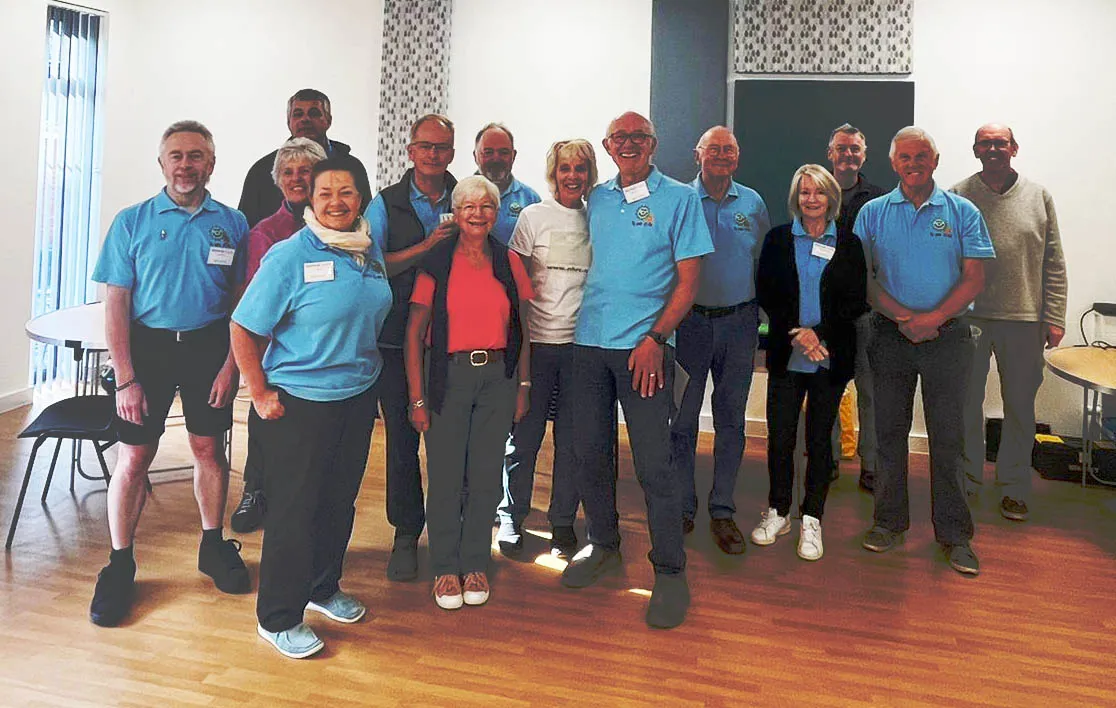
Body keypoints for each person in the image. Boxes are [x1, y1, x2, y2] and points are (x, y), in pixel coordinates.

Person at [88, 120, 249, 627]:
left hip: (208, 347)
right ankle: (119, 564)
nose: (186, 164)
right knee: (134, 457)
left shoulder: (233, 222)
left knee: (208, 450)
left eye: (196, 155)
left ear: (211, 164)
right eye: (176, 155)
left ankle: (211, 544)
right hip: (148, 349)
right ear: (162, 165)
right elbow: (115, 302)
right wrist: (126, 378)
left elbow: (242, 304)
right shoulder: (132, 221)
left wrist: (232, 366)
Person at [231, 157, 391, 659]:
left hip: (356, 396)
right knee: (294, 512)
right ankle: (277, 617)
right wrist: (258, 393)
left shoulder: (366, 249)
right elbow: (243, 326)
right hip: (299, 404)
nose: (336, 202)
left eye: (346, 192)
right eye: (325, 193)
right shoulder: (288, 255)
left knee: (338, 501)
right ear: (309, 199)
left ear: (361, 198)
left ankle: (323, 587)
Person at [562, 111, 713, 630]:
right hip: (588, 346)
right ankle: (603, 543)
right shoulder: (598, 198)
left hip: (644, 350)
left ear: (653, 143)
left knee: (655, 464)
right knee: (588, 453)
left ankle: (670, 571)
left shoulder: (680, 198)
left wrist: (655, 338)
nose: (629, 145)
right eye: (619, 138)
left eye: (638, 137)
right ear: (608, 146)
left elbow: (688, 283)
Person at [855, 126, 994, 576]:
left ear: (935, 161)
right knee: (889, 436)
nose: (913, 164)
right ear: (893, 164)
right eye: (904, 158)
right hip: (889, 337)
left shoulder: (963, 211)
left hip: (948, 338)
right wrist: (904, 319)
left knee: (948, 439)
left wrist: (931, 320)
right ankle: (888, 524)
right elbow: (865, 279)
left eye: (922, 157)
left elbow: (974, 277)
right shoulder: (873, 213)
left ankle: (955, 536)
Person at [404, 175, 534, 610]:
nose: (477, 215)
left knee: (483, 477)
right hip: (448, 378)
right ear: (455, 214)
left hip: (498, 378)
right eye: (468, 207)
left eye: (486, 207)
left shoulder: (508, 260)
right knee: (444, 478)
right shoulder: (438, 259)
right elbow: (414, 333)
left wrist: (523, 385)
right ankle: (444, 567)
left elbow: (524, 328)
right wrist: (418, 399)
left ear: (496, 213)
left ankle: (476, 562)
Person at [953, 123, 1067, 521]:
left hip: (1024, 320)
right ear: (975, 150)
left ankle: (1014, 486)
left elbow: (1054, 260)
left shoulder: (1038, 196)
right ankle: (966, 481)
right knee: (966, 404)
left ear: (1014, 148)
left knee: (1020, 406)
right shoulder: (957, 196)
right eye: (985, 143)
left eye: (1001, 142)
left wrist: (1055, 316)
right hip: (969, 318)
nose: (993, 148)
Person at [754, 165, 868, 560]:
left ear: (831, 197)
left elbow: (855, 300)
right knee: (780, 438)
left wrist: (818, 335)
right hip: (789, 354)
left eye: (819, 193)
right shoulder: (778, 239)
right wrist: (796, 333)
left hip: (828, 357)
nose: (812, 200)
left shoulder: (849, 244)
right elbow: (767, 293)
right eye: (804, 193)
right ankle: (779, 510)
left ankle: (812, 517)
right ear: (796, 198)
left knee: (820, 441)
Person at [364, 113, 459, 582]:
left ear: (453, 153)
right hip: (396, 342)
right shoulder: (385, 203)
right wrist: (426, 247)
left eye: (442, 148)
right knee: (402, 444)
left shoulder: (469, 198)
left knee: (450, 444)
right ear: (410, 152)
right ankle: (405, 534)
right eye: (426, 147)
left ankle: (451, 532)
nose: (434, 155)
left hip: (454, 342)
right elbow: (374, 265)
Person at [670, 125, 768, 555]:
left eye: (730, 149)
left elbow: (762, 260)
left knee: (731, 420)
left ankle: (723, 510)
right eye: (715, 149)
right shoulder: (679, 200)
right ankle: (683, 505)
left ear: (738, 156)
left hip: (739, 323)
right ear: (698, 155)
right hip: (689, 325)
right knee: (682, 420)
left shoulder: (753, 202)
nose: (722, 156)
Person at [496, 139, 597, 559]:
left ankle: (561, 521)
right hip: (535, 346)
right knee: (524, 439)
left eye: (579, 169)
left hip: (581, 347)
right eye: (564, 168)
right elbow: (515, 283)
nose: (571, 176)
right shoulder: (533, 217)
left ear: (590, 174)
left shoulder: (599, 219)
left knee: (572, 441)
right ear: (553, 172)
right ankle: (511, 517)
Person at [230, 137, 329, 534]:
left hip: (325, 351)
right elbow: (258, 303)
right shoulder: (266, 233)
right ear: (278, 181)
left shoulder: (340, 223)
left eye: (305, 170)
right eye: (288, 172)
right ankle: (256, 491)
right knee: (267, 428)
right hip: (279, 353)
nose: (296, 178)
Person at [827, 123, 887, 491]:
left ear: (864, 155)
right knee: (828, 390)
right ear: (830, 153)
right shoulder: (814, 192)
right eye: (841, 149)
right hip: (826, 314)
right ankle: (826, 457)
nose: (848, 155)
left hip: (867, 313)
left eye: (855, 150)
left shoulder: (880, 200)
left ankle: (872, 465)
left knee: (871, 393)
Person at [238, 88, 371, 228]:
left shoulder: (351, 167)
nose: (305, 119)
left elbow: (366, 221)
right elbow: (246, 228)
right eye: (298, 114)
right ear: (289, 122)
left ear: (328, 120)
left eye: (314, 114)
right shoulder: (263, 170)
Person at [472, 123, 541, 245]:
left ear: (513, 156)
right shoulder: (459, 196)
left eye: (503, 152)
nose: (496, 158)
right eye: (488, 152)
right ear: (475, 156)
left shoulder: (530, 199)